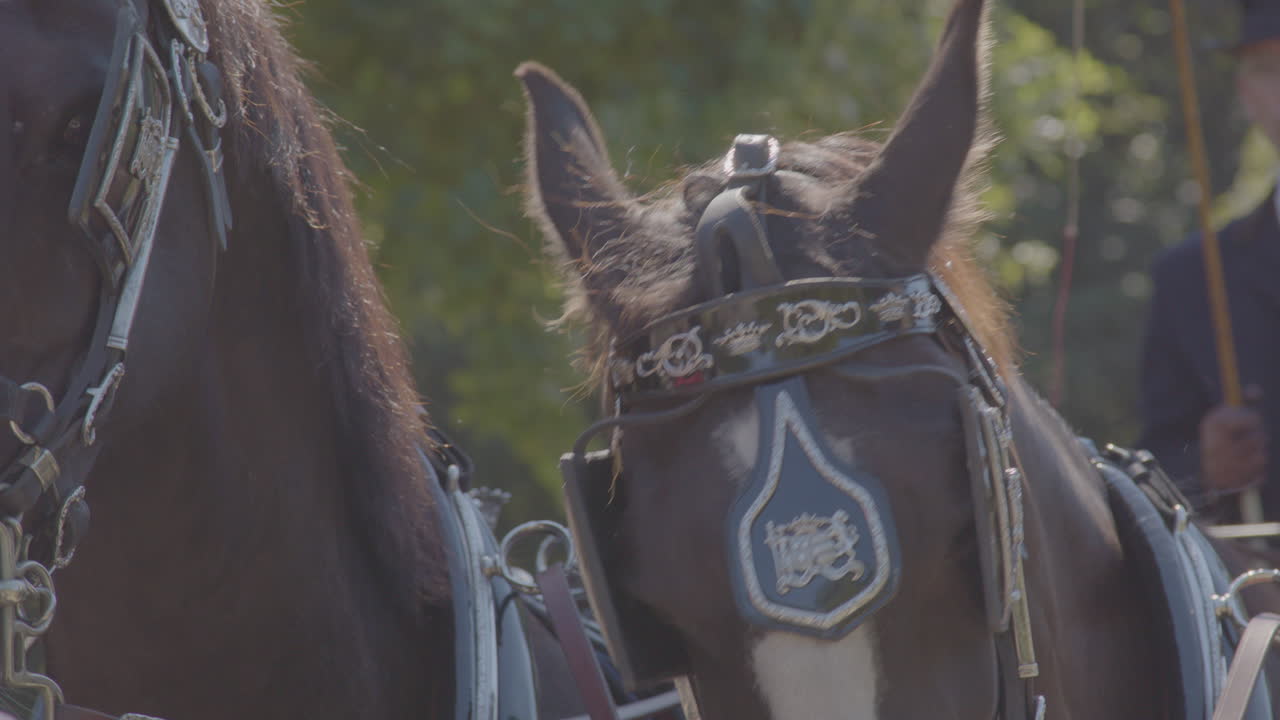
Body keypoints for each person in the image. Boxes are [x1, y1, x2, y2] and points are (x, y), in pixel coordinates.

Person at [1139, 0, 1280, 521]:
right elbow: (1153, 471)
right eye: (1269, 70)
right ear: (1246, 92)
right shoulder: (1193, 277)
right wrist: (1204, 468)